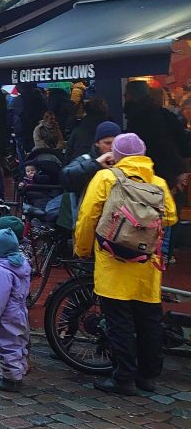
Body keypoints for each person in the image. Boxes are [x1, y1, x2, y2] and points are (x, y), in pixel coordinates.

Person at [74, 133, 178, 395]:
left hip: (113, 261)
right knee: (148, 321)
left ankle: (123, 378)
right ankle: (148, 376)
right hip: (146, 265)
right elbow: (171, 217)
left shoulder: (106, 178)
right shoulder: (158, 182)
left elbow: (88, 217)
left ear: (116, 155)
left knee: (118, 321)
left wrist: (83, 249)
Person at [0, 228, 31, 392]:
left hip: (6, 316)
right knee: (19, 342)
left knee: (6, 345)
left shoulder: (1, 271)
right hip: (20, 311)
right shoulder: (22, 264)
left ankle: (12, 379)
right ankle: (21, 368)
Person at [123, 80, 191, 193]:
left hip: (145, 179)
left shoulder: (135, 121)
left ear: (130, 96)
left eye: (126, 95)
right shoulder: (166, 115)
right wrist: (179, 170)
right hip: (170, 178)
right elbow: (183, 147)